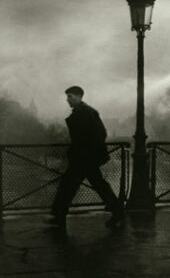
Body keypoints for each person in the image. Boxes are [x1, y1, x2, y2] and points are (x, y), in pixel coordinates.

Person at [45, 86, 125, 229]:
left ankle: (58, 216)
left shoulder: (86, 113)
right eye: (67, 97)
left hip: (84, 158)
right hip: (86, 158)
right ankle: (118, 212)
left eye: (70, 96)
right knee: (96, 185)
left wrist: (85, 151)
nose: (67, 100)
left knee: (68, 186)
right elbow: (99, 134)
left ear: (79, 96)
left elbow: (100, 134)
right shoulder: (86, 112)